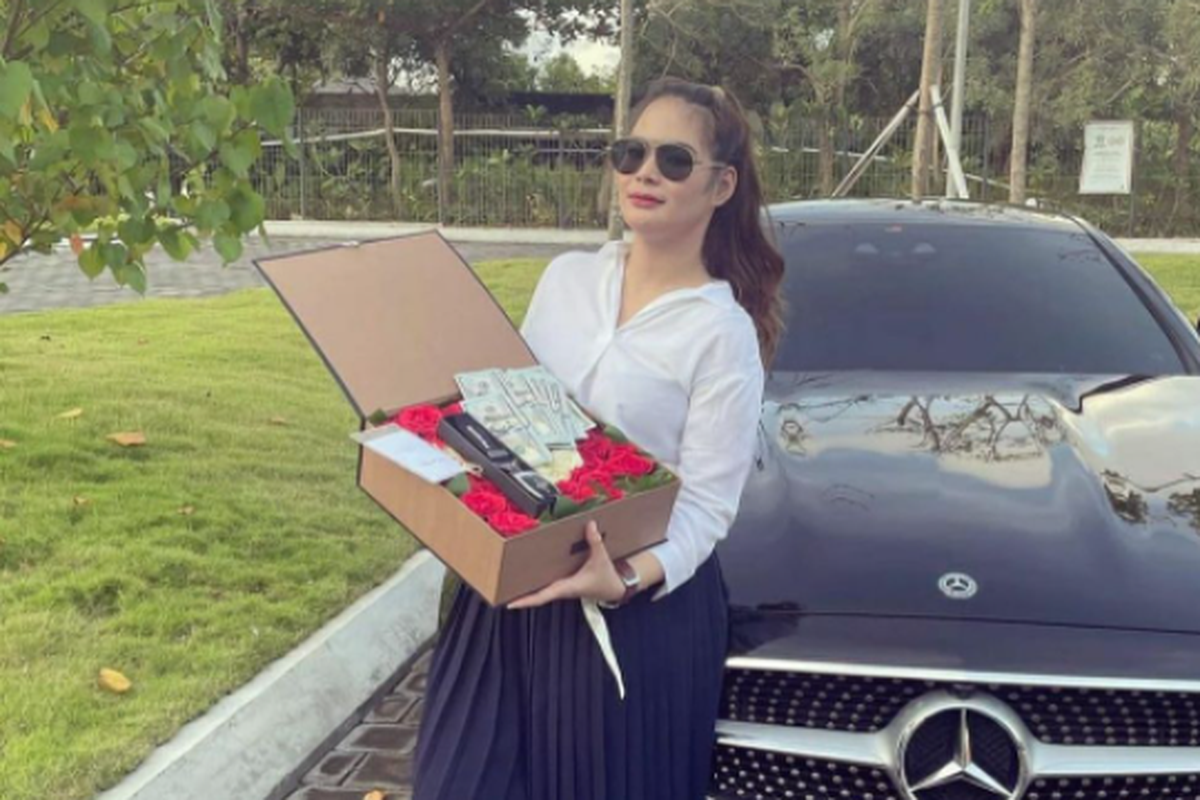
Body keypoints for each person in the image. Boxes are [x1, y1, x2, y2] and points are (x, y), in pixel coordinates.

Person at [412, 77, 785, 800]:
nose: (645, 172)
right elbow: (507, 412)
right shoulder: (567, 279)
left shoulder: (721, 332)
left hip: (635, 613)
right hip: (511, 596)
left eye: (674, 159)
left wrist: (627, 579)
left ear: (721, 185)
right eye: (631, 152)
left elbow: (708, 506)